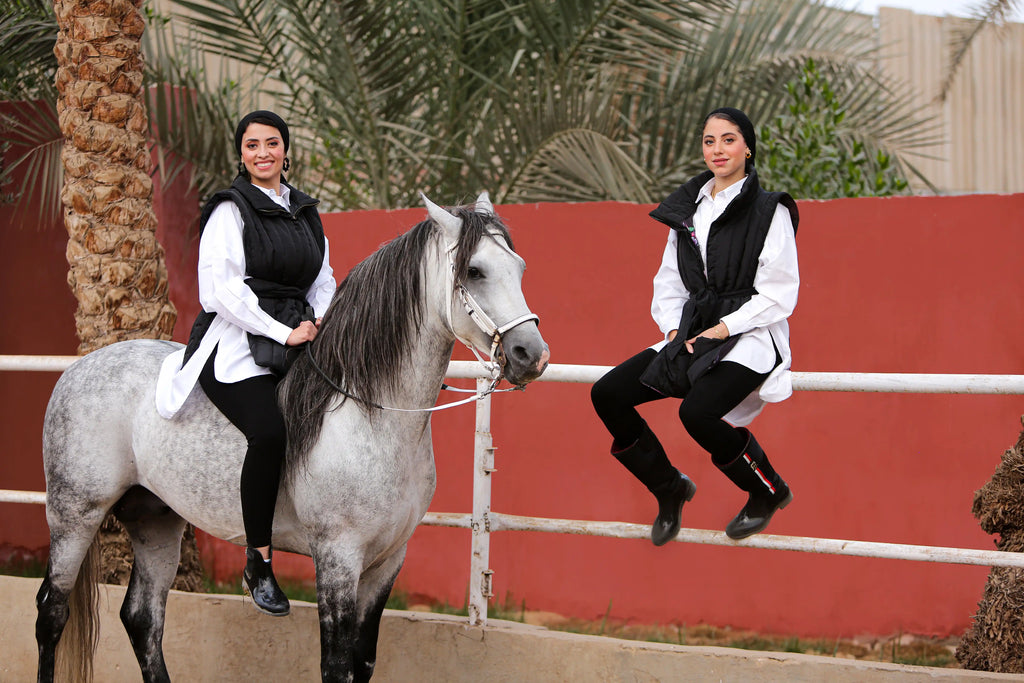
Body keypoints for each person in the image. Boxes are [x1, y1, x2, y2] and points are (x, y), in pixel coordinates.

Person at [590, 107, 799, 547]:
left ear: (747, 147)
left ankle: (766, 489)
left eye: (728, 139)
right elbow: (668, 282)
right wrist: (671, 332)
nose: (718, 149)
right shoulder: (687, 209)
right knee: (607, 394)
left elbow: (780, 294)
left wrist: (724, 329)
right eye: (709, 141)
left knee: (696, 413)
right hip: (692, 335)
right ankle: (669, 487)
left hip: (751, 335)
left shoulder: (769, 210)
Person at [155, 110, 336, 615]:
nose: (263, 153)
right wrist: (283, 331)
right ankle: (258, 561)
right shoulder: (229, 211)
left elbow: (323, 278)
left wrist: (315, 321)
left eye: (272, 143)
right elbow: (221, 293)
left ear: (285, 150)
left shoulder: (304, 210)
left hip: (300, 335)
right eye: (252, 145)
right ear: (242, 154)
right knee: (270, 433)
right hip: (234, 343)